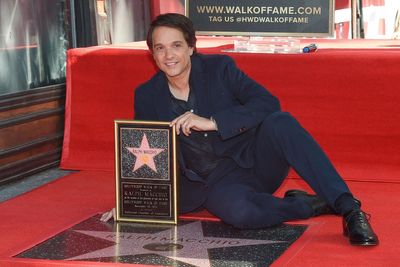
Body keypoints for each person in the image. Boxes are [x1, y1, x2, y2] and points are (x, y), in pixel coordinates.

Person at [105, 13, 378, 246]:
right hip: (209, 182)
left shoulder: (220, 69)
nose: (168, 55)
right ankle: (312, 204)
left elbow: (268, 103)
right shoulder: (146, 95)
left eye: (176, 45)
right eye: (159, 48)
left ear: (191, 47)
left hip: (253, 163)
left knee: (281, 122)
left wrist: (214, 121)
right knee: (243, 215)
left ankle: (349, 208)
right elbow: (149, 150)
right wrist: (135, 201)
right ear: (152, 53)